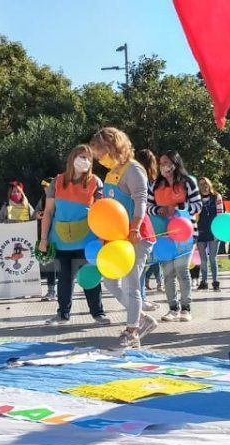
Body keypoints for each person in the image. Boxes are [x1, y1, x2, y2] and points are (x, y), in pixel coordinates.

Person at [90, 127, 157, 347]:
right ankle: (142, 319)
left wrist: (135, 228)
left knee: (132, 283)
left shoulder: (134, 169)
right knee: (110, 281)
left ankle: (132, 332)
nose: (98, 158)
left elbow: (141, 201)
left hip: (137, 235)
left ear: (113, 147)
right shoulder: (111, 172)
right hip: (117, 237)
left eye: (100, 152)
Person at [39, 145, 110, 325]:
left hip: (87, 240)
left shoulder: (95, 182)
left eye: (88, 158)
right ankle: (62, 314)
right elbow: (48, 212)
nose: (84, 161)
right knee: (64, 279)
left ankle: (98, 313)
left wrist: (102, 238)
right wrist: (43, 239)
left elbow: (101, 211)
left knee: (90, 276)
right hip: (61, 239)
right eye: (81, 156)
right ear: (72, 158)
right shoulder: (57, 181)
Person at [149, 151, 201, 322]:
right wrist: (159, 209)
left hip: (185, 234)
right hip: (163, 235)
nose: (163, 166)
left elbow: (197, 205)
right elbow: (147, 207)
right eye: (161, 163)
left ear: (175, 163)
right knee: (168, 273)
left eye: (167, 162)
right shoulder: (155, 185)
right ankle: (173, 308)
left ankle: (186, 308)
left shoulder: (188, 182)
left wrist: (178, 207)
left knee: (182, 270)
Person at [137, 149, 162, 295]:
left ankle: (142, 294)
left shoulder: (136, 178)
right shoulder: (152, 182)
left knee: (142, 263)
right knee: (148, 260)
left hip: (144, 222)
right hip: (152, 223)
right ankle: (142, 295)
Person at [195, 177, 224, 291]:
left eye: (205, 183)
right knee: (203, 259)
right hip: (201, 230)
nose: (204, 186)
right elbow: (193, 215)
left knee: (212, 258)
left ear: (209, 184)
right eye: (201, 184)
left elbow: (220, 215)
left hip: (213, 231)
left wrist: (218, 232)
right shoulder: (197, 198)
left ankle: (215, 282)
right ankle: (204, 282)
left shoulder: (216, 197)